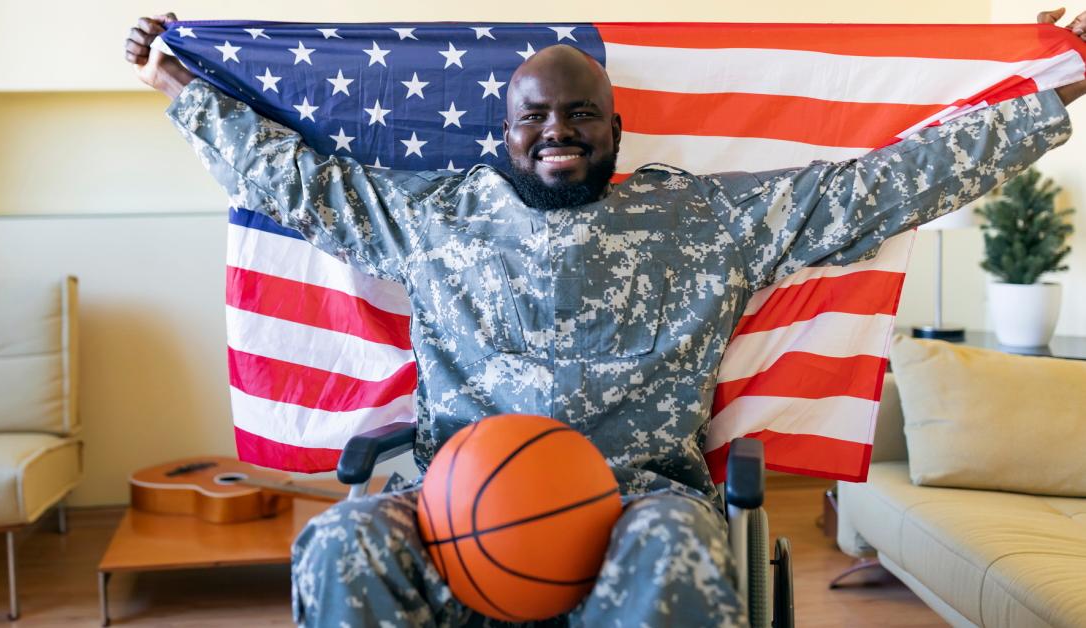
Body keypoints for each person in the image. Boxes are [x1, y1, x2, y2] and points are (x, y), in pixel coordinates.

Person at [125, 9, 1086, 626]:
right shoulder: (432, 217)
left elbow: (885, 186)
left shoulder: (705, 220)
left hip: (635, 507)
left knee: (677, 554)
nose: (556, 132)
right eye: (534, 118)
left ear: (614, 131)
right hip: (453, 506)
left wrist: (1055, 92)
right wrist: (176, 82)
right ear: (502, 136)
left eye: (578, 115)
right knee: (335, 542)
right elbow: (297, 181)